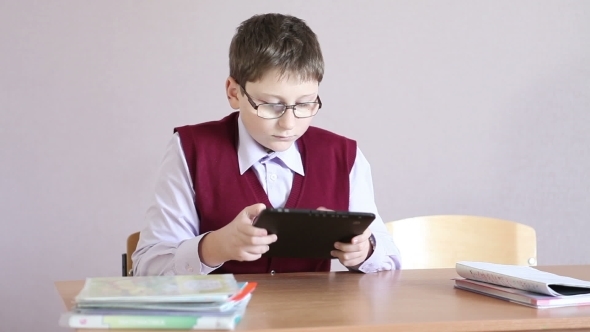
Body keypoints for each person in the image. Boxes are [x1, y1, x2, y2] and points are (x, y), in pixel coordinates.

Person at [132, 13, 401, 276]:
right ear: (234, 92)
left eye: (306, 104)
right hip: (222, 320)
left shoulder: (344, 156)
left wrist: (364, 251)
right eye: (272, 105)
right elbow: (147, 268)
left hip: (313, 319)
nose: (289, 123)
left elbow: (389, 260)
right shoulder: (190, 150)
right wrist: (216, 247)